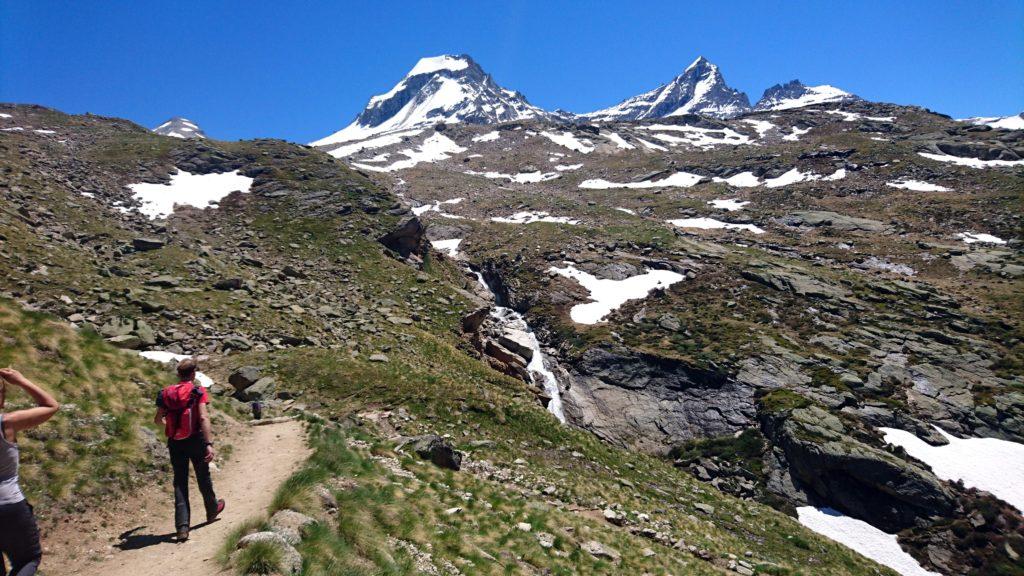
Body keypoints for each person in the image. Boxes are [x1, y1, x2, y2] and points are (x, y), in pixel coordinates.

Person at [154, 358, 224, 541]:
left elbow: (157, 419)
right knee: (203, 475)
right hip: (195, 439)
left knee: (180, 481)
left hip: (175, 443)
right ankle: (211, 509)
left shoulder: (166, 393)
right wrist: (209, 443)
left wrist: (173, 428)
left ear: (178, 374)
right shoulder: (197, 391)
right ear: (193, 374)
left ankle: (182, 527)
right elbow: (203, 418)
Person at [0, 367, 59, 576]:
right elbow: (51, 405)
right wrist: (21, 380)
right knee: (28, 559)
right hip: (8, 504)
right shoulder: (6, 423)